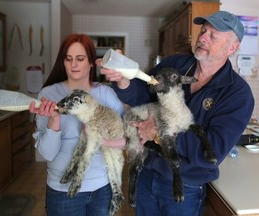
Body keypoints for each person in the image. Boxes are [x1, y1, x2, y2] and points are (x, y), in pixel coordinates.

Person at [97, 11, 255, 216]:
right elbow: (144, 94)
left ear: (232, 47)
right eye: (203, 30)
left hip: (184, 187)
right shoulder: (177, 64)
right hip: (148, 172)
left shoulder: (237, 94)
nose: (203, 37)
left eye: (213, 35)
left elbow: (212, 151)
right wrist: (123, 81)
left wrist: (157, 133)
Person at [29, 34, 126, 216]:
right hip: (62, 190)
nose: (74, 64)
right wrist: (54, 121)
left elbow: (127, 138)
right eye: (69, 59)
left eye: (80, 59)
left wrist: (101, 141)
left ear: (91, 63)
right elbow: (47, 153)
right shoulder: (49, 94)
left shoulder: (105, 94)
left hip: (101, 189)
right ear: (63, 62)